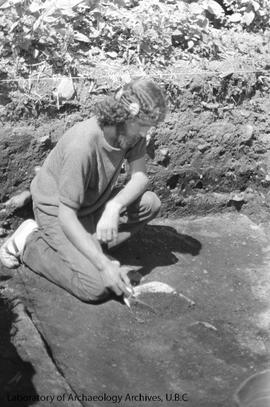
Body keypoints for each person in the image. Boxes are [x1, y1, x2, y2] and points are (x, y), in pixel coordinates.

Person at [0, 77, 167, 303]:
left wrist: (113, 207)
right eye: (144, 126)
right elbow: (66, 216)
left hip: (92, 206)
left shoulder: (130, 133)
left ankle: (89, 249)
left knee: (150, 203)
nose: (147, 133)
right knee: (96, 287)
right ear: (126, 116)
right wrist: (103, 264)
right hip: (57, 213)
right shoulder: (83, 145)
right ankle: (29, 241)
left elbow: (140, 177)